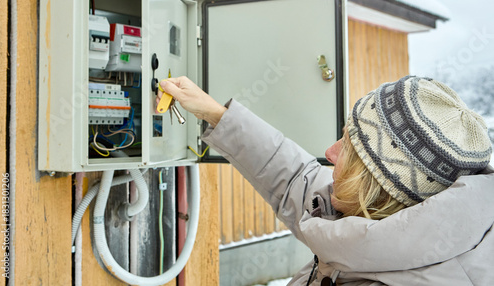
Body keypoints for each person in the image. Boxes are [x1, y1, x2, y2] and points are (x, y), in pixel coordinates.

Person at [158, 75, 494, 285]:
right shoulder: (382, 215)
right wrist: (215, 113)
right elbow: (294, 178)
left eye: (348, 147)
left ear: (378, 186)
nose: (329, 152)